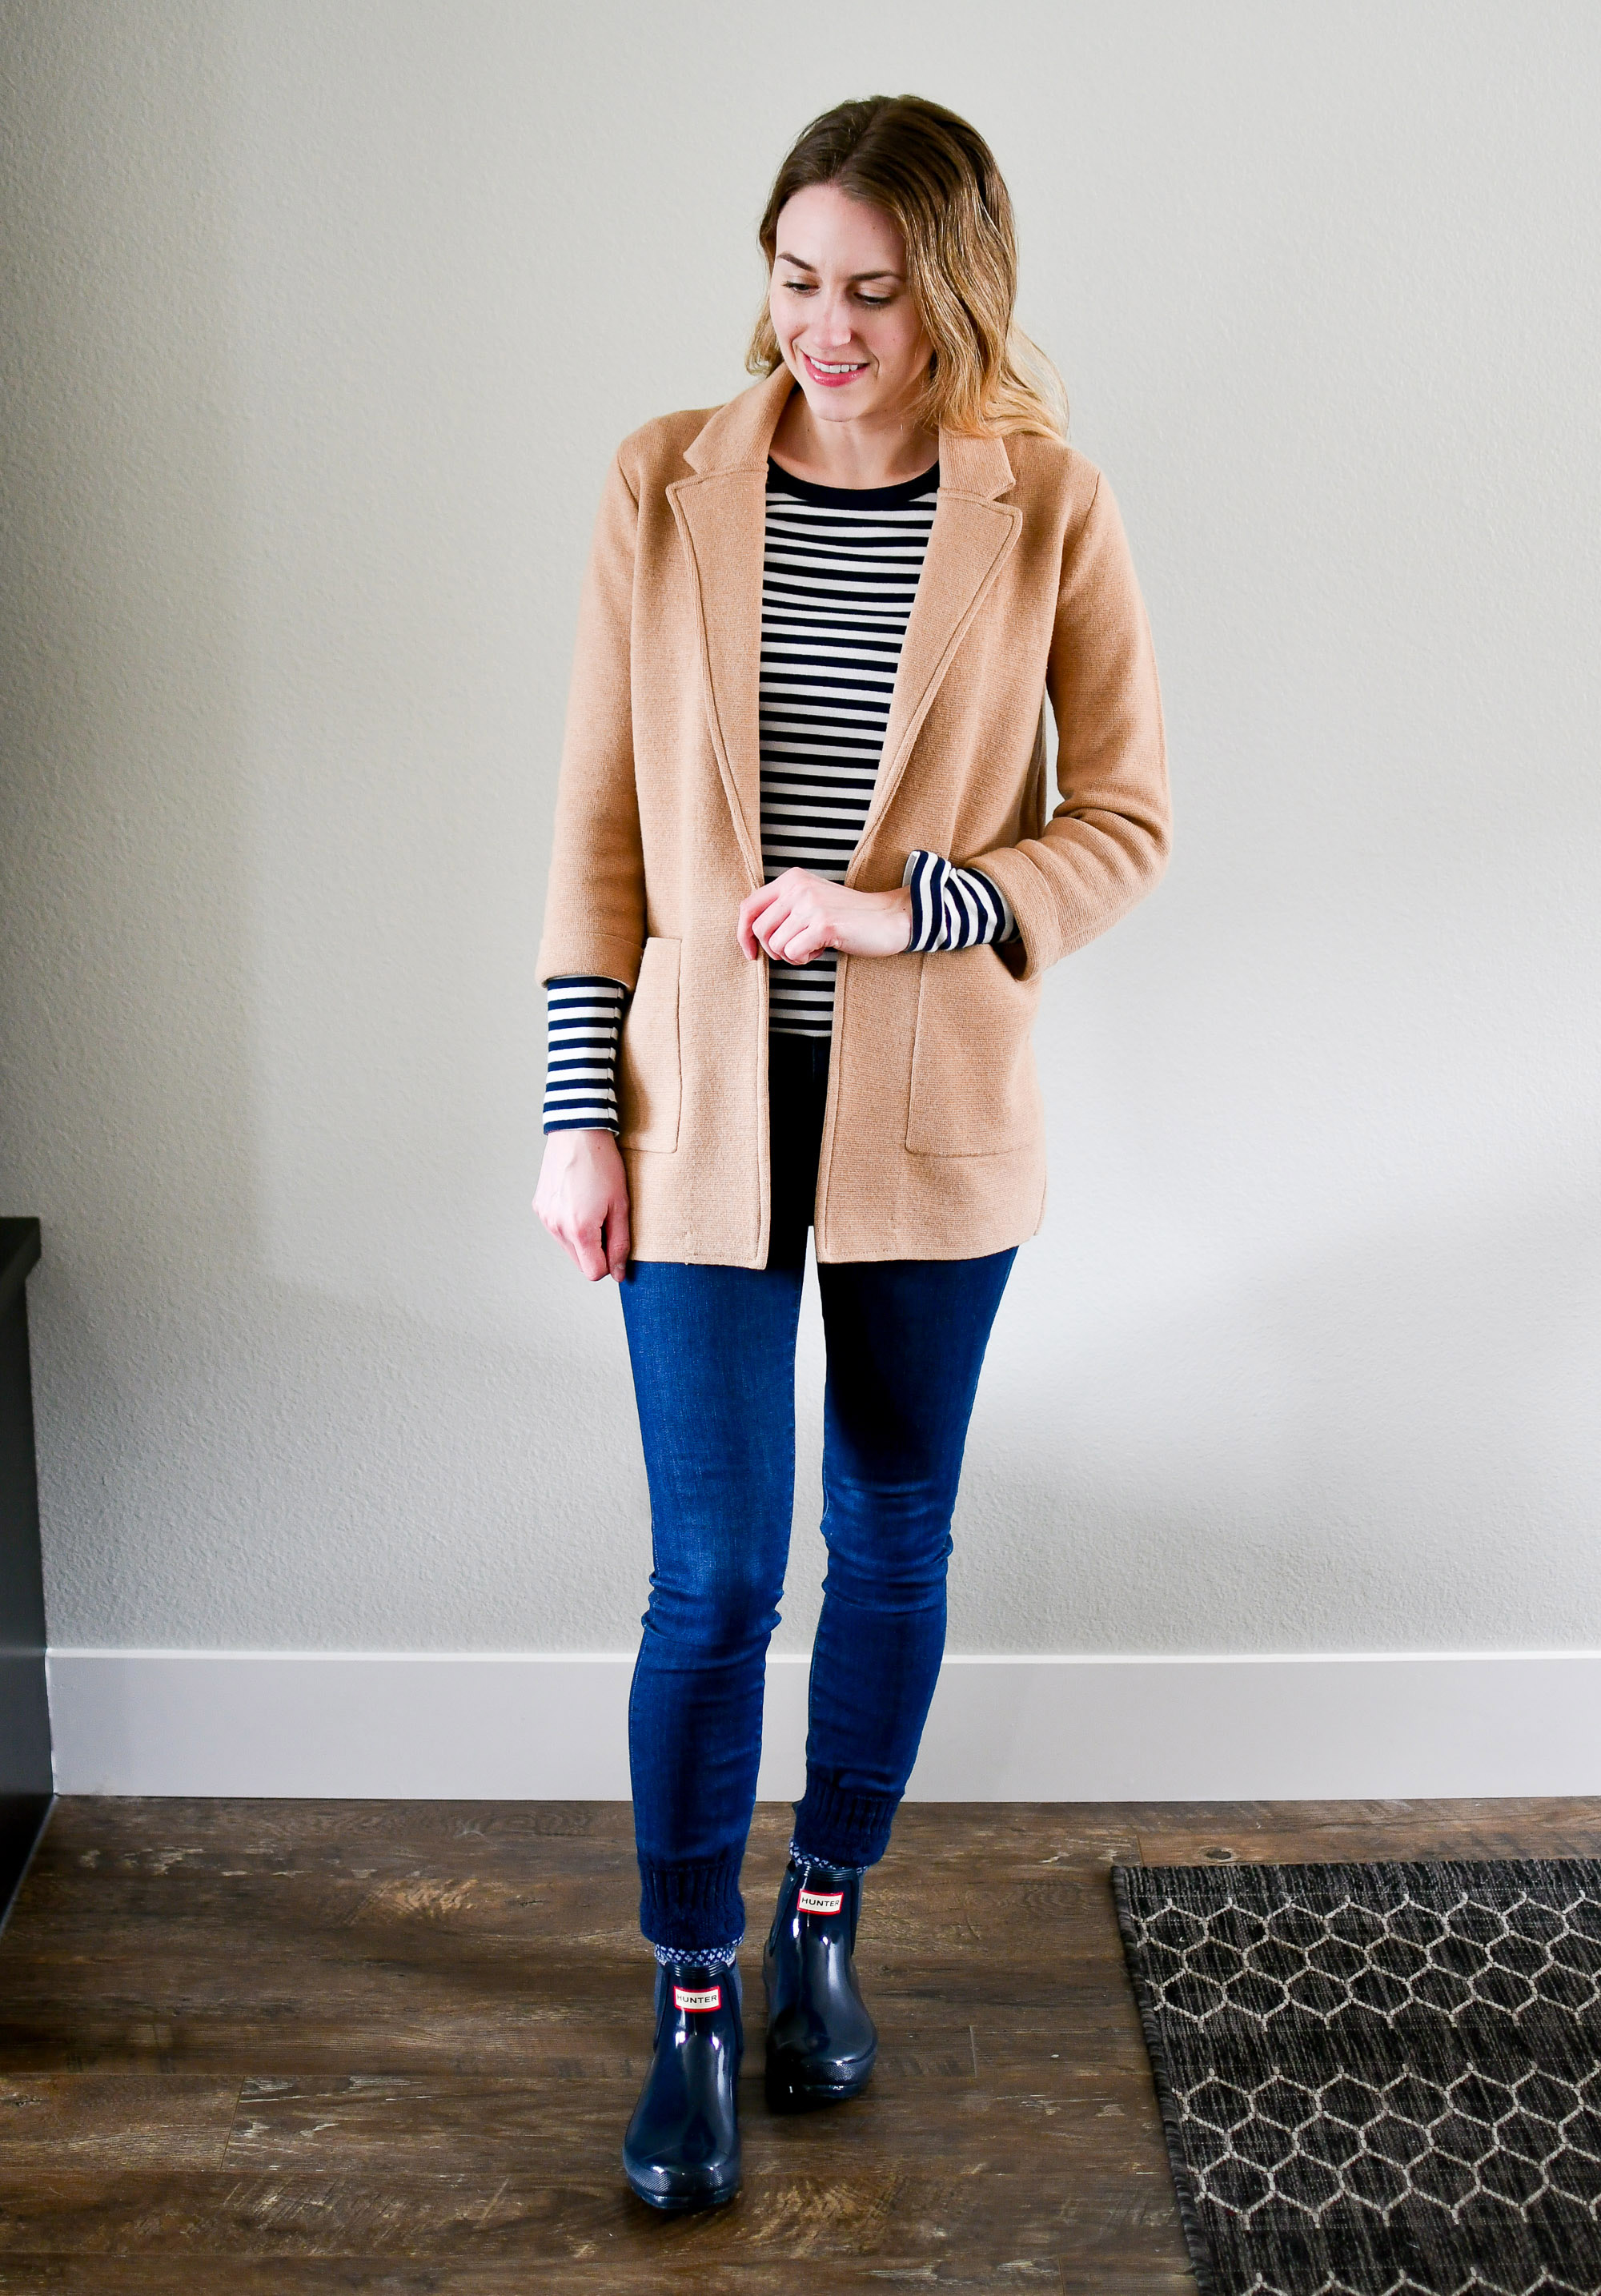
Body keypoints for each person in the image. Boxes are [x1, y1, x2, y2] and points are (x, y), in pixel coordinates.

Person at [533, 93, 1170, 2212]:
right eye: (798, 278)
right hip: (696, 1115)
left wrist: (916, 912)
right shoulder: (664, 479)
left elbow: (1126, 822)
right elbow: (597, 828)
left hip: (932, 1117)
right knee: (716, 1576)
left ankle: (823, 1913)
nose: (825, 326)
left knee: (891, 1538)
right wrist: (577, 1111)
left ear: (952, 292)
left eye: (874, 292)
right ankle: (692, 1996)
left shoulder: (1045, 503)